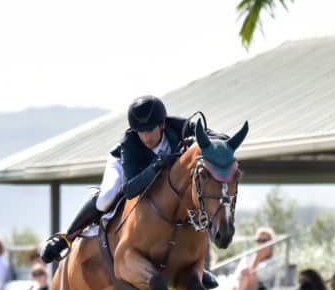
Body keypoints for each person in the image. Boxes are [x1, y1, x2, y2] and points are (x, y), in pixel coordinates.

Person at [40, 95, 221, 266]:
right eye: (140, 132)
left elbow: (217, 138)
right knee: (106, 198)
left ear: (162, 125)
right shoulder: (130, 143)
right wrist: (156, 166)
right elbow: (129, 189)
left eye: (150, 130)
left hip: (158, 175)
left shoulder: (180, 126)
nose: (145, 138)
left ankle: (194, 264)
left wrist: (216, 142)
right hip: (124, 166)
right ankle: (66, 238)